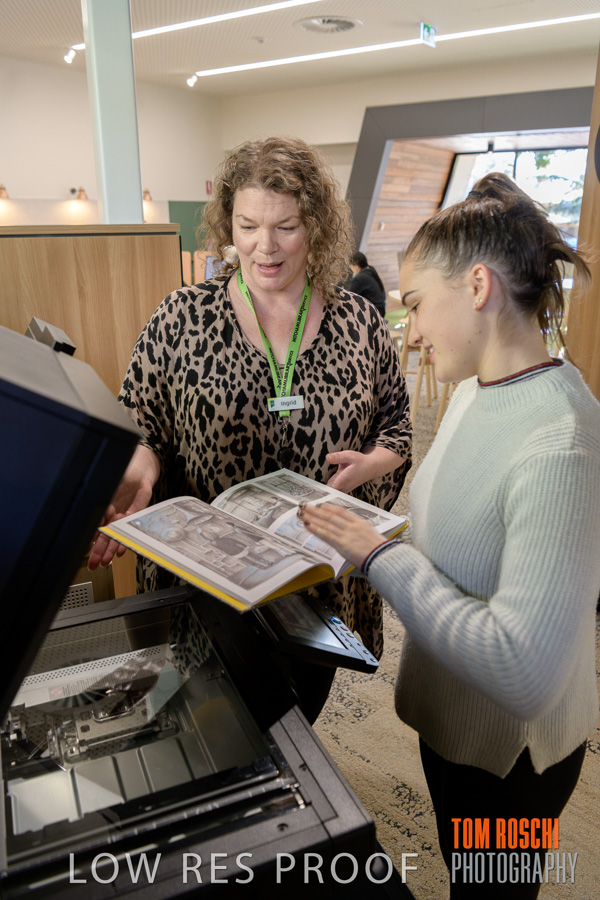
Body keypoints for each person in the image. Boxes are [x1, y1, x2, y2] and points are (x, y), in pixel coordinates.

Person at [299, 172, 600, 896]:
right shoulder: (474, 392)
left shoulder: (560, 440)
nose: (412, 332)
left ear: (477, 286)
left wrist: (379, 556)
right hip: (456, 730)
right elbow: (467, 534)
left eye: (415, 305)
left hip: (512, 763)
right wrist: (367, 531)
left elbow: (523, 671)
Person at [88, 136, 412, 723]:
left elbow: (397, 427)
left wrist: (373, 464)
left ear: (316, 226)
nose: (265, 247)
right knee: (204, 725)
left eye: (286, 227)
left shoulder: (359, 323)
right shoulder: (182, 316)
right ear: (227, 225)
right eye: (248, 226)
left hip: (315, 589)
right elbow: (140, 420)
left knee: (294, 724)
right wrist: (139, 465)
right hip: (204, 588)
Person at [346, 250, 387, 316]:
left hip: (373, 313)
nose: (351, 268)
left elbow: (349, 297)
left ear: (356, 266)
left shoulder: (360, 278)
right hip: (381, 310)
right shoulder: (370, 271)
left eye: (350, 265)